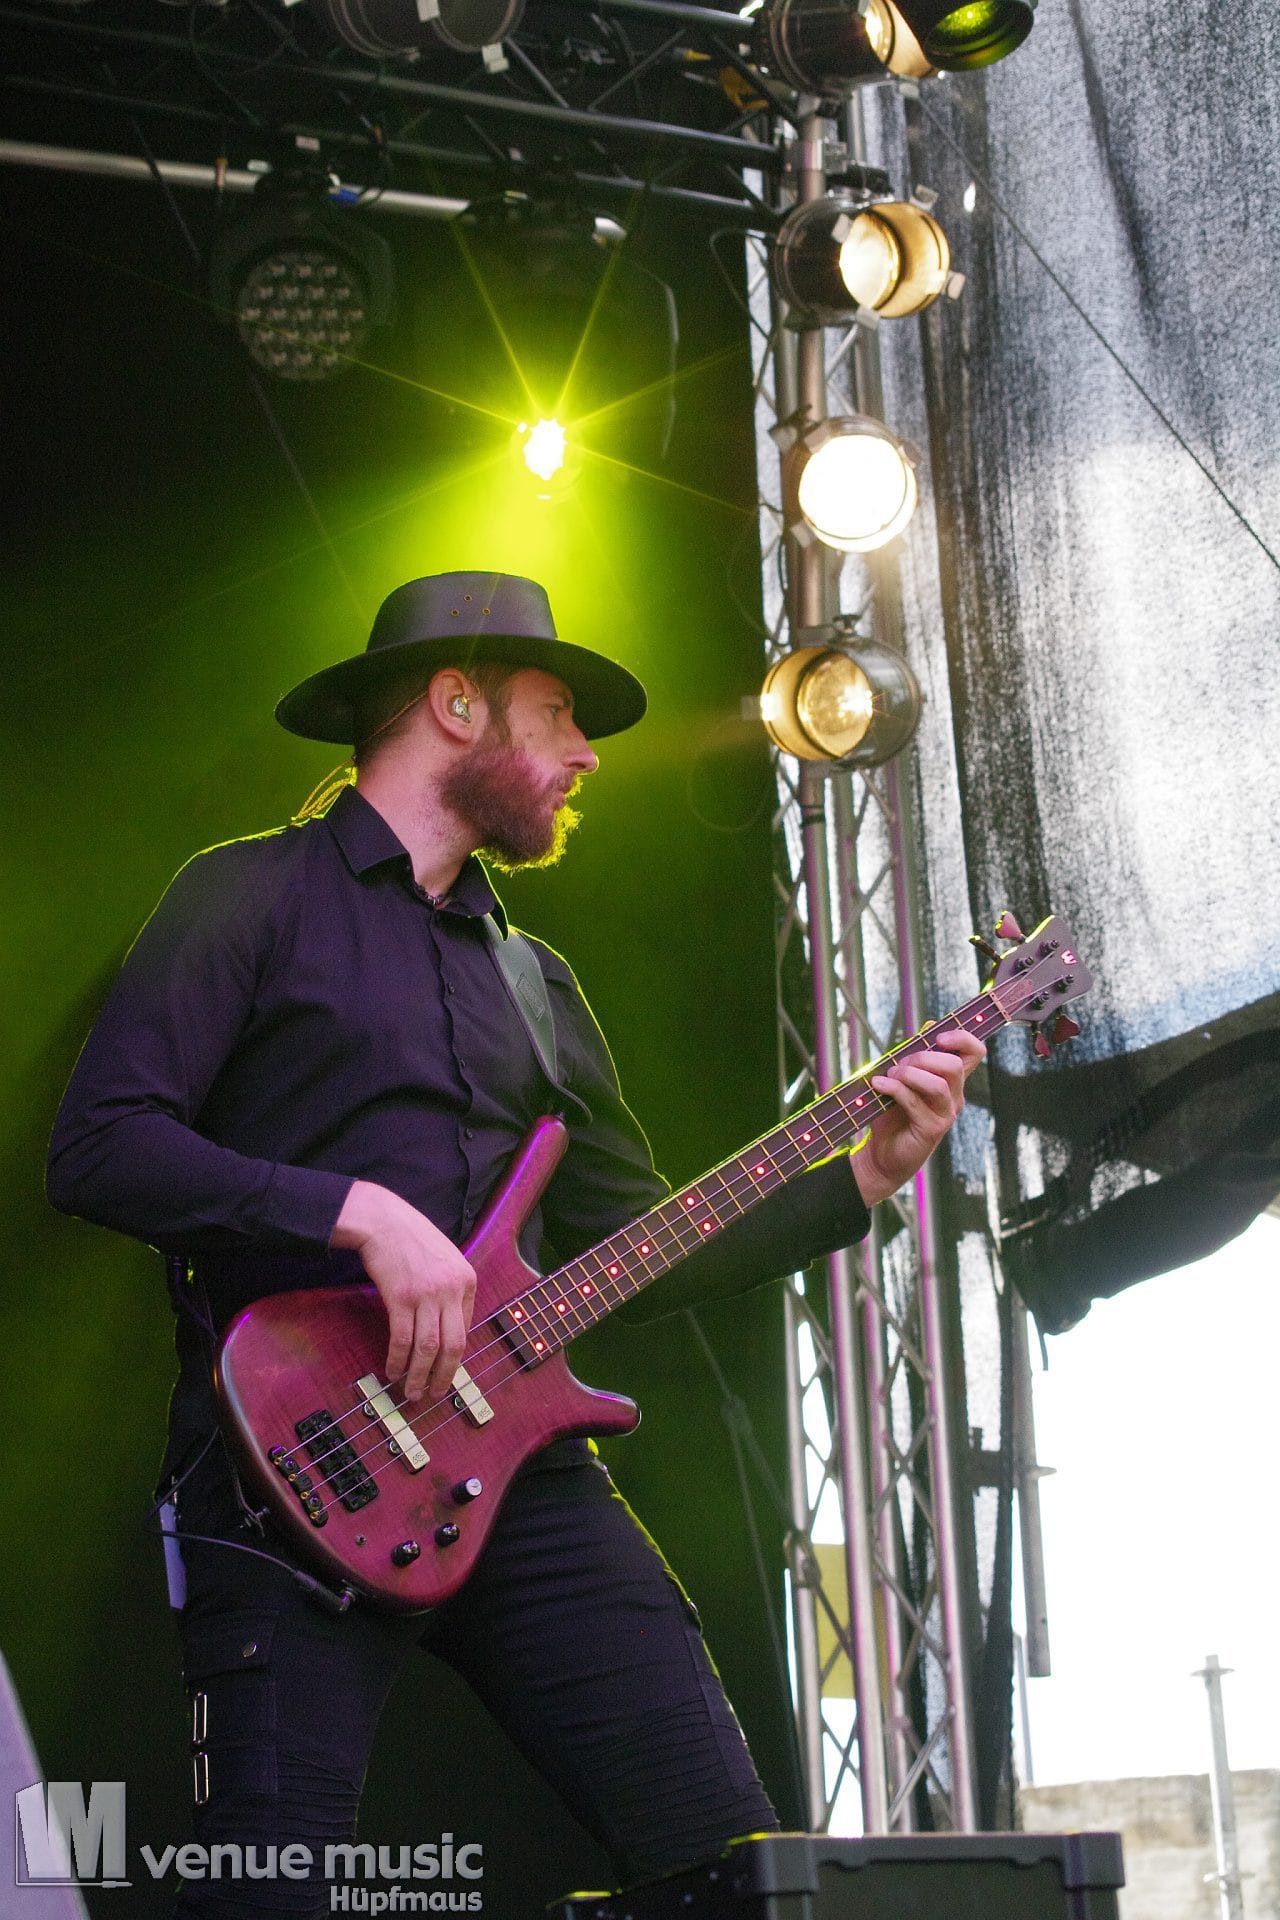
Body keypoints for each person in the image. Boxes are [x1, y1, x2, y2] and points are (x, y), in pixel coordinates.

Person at [47, 572, 984, 1916]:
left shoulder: (534, 982)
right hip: (288, 1471)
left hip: (518, 1478)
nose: (585, 754)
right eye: (557, 716)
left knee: (730, 1868)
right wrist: (355, 1213)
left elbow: (635, 1242)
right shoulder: (247, 896)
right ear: (455, 704)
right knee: (269, 1894)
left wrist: (869, 1174)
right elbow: (100, 1147)